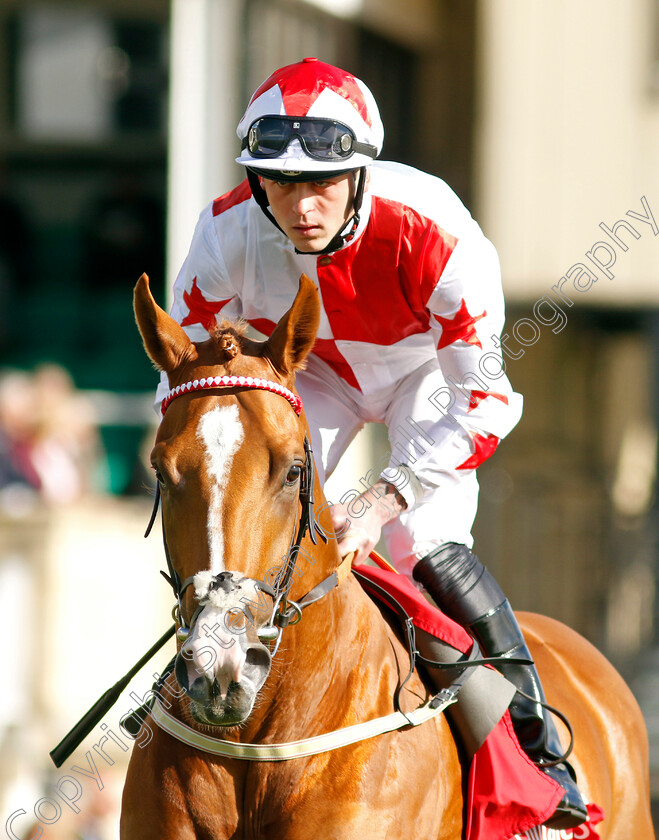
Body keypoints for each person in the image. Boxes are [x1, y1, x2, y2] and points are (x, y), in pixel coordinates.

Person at [160, 57, 587, 829]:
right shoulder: (225, 230)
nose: (299, 205)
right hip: (308, 374)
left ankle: (537, 752)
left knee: (419, 538)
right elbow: (183, 378)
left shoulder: (438, 234)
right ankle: (196, 680)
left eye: (321, 182)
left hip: (431, 378)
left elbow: (485, 401)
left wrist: (383, 492)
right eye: (279, 182)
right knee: (250, 520)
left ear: (361, 172)